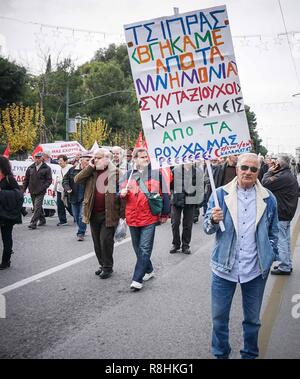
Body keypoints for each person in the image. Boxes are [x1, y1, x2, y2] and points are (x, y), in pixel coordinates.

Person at [204, 153, 279, 359]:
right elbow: (206, 228)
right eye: (244, 167)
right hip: (223, 268)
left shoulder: (268, 199)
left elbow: (275, 232)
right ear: (237, 168)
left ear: (259, 172)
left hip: (255, 270)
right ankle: (221, 354)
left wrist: (270, 254)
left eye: (253, 169)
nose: (248, 172)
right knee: (219, 318)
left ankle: (249, 355)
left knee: (253, 320)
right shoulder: (219, 195)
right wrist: (212, 219)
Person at [120, 148, 170, 291]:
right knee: (137, 248)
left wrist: (165, 213)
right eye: (141, 157)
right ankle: (149, 269)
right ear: (134, 159)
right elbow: (119, 193)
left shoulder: (156, 173)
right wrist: (121, 193)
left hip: (149, 217)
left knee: (144, 247)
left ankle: (137, 278)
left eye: (146, 157)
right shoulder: (128, 175)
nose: (145, 159)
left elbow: (165, 193)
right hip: (132, 217)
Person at [74, 148, 125, 279]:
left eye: (98, 157)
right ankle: (102, 265)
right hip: (92, 212)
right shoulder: (92, 172)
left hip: (109, 213)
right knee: (97, 242)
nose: (95, 160)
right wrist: (90, 166)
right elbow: (77, 179)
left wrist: (122, 216)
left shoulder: (117, 173)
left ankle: (108, 267)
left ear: (107, 159)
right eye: (94, 158)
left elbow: (124, 195)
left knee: (105, 241)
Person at [262, 154, 299, 275]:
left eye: (276, 161)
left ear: (280, 164)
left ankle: (284, 266)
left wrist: (268, 172)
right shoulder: (288, 175)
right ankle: (287, 263)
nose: (274, 163)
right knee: (286, 239)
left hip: (282, 212)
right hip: (287, 212)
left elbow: (265, 183)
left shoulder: (282, 176)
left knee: (281, 240)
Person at [169, 163, 204, 254]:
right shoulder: (175, 170)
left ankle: (185, 245)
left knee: (188, 225)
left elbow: (200, 187)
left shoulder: (197, 172)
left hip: (191, 200)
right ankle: (176, 244)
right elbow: (170, 185)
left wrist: (199, 201)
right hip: (177, 200)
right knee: (175, 223)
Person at [0, 156, 23, 269]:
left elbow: (18, 194)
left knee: (6, 238)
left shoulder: (9, 179)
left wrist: (2, 193)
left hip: (7, 214)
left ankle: (6, 261)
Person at [22, 152, 52, 229]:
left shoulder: (47, 168)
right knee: (37, 207)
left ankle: (33, 223)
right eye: (36, 157)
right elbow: (26, 180)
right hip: (32, 190)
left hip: (41, 191)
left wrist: (43, 187)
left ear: (42, 158)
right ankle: (42, 220)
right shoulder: (30, 168)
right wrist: (23, 189)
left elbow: (49, 180)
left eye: (39, 157)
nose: (37, 159)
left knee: (37, 206)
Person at [63, 155, 89, 241]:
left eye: (89, 160)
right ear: (81, 160)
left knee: (81, 216)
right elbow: (65, 180)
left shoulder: (90, 171)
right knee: (76, 216)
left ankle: (80, 232)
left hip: (85, 197)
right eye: (87, 160)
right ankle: (82, 228)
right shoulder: (72, 170)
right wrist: (67, 188)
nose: (88, 162)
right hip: (73, 196)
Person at [53, 154, 72, 226]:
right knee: (60, 205)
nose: (59, 162)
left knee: (69, 205)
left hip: (68, 190)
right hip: (60, 190)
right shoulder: (58, 169)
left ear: (65, 161)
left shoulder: (70, 168)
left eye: (61, 161)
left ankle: (76, 216)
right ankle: (63, 220)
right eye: (58, 161)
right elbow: (56, 179)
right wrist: (54, 189)